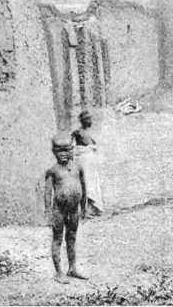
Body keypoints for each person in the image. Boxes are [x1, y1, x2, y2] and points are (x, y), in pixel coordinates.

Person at [44, 134, 88, 283]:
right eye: (59, 151)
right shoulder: (53, 171)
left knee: (72, 238)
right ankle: (58, 272)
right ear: (53, 152)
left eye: (66, 150)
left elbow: (83, 187)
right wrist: (48, 212)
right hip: (59, 211)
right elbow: (47, 192)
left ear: (72, 150)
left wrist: (84, 207)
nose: (63, 154)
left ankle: (72, 268)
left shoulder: (78, 168)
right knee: (57, 238)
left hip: (74, 210)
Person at [72, 110, 104, 216]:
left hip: (91, 164)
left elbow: (94, 146)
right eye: (87, 119)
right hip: (84, 163)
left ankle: (94, 208)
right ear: (83, 121)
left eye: (90, 118)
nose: (90, 121)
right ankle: (85, 210)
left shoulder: (89, 134)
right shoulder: (77, 132)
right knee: (86, 184)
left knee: (93, 184)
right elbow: (72, 146)